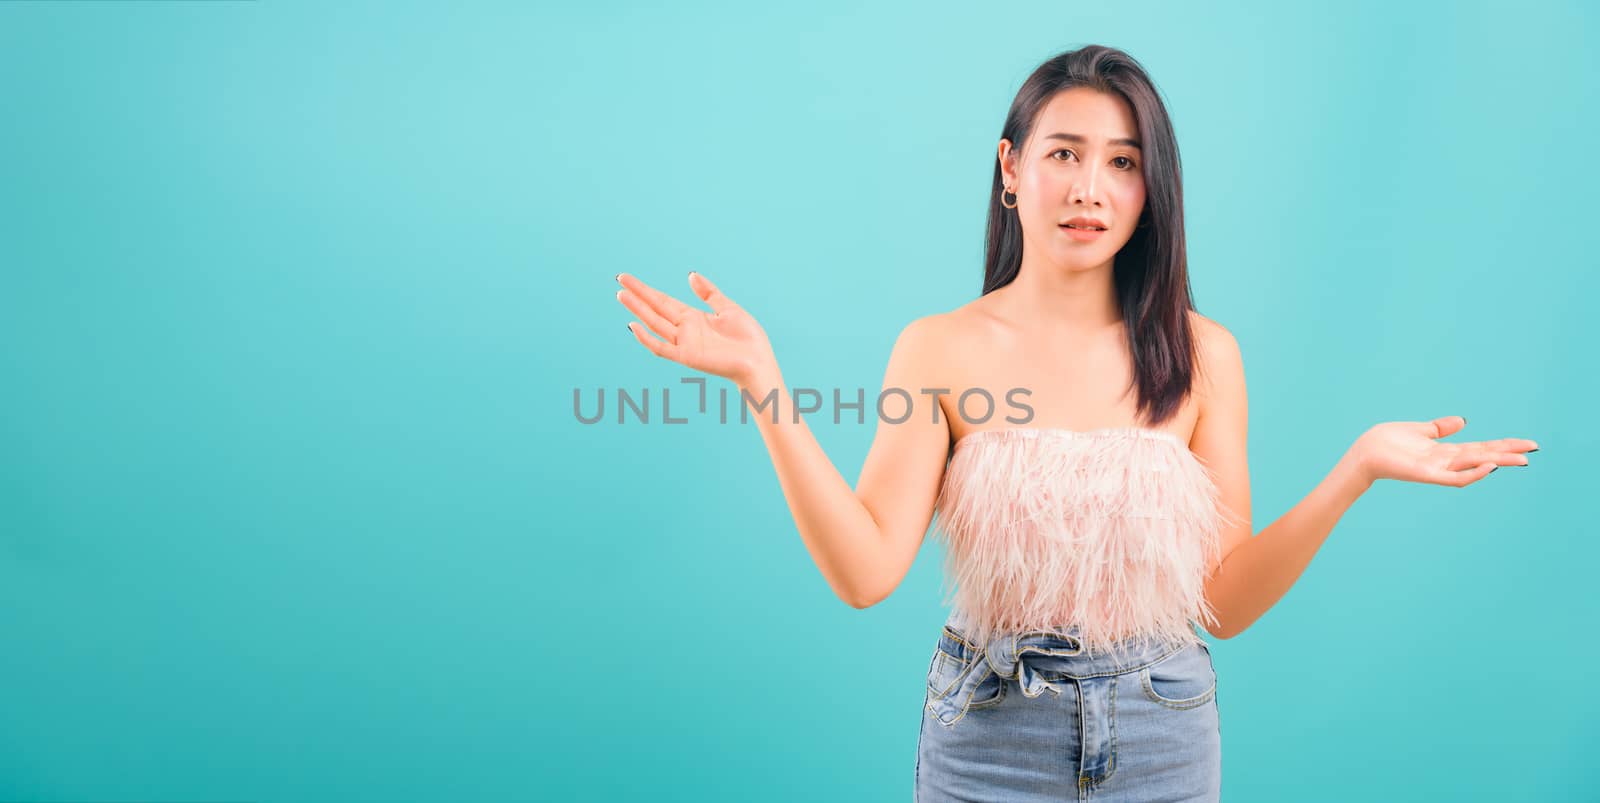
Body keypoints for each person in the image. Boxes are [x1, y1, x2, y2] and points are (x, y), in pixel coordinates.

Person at [613, 44, 1537, 803]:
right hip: (987, 734)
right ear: (1012, 168)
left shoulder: (1203, 353)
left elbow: (1226, 599)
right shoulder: (939, 348)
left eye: (1122, 161)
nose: (1091, 186)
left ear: (1150, 190)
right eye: (1064, 152)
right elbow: (864, 571)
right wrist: (760, 381)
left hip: (1163, 732)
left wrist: (1357, 468)